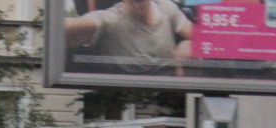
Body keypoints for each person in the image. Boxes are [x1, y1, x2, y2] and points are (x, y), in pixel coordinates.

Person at [64, 0, 194, 76]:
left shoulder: (167, 8)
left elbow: (205, 39)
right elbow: (66, 29)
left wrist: (188, 45)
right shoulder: (109, 20)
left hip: (171, 93)